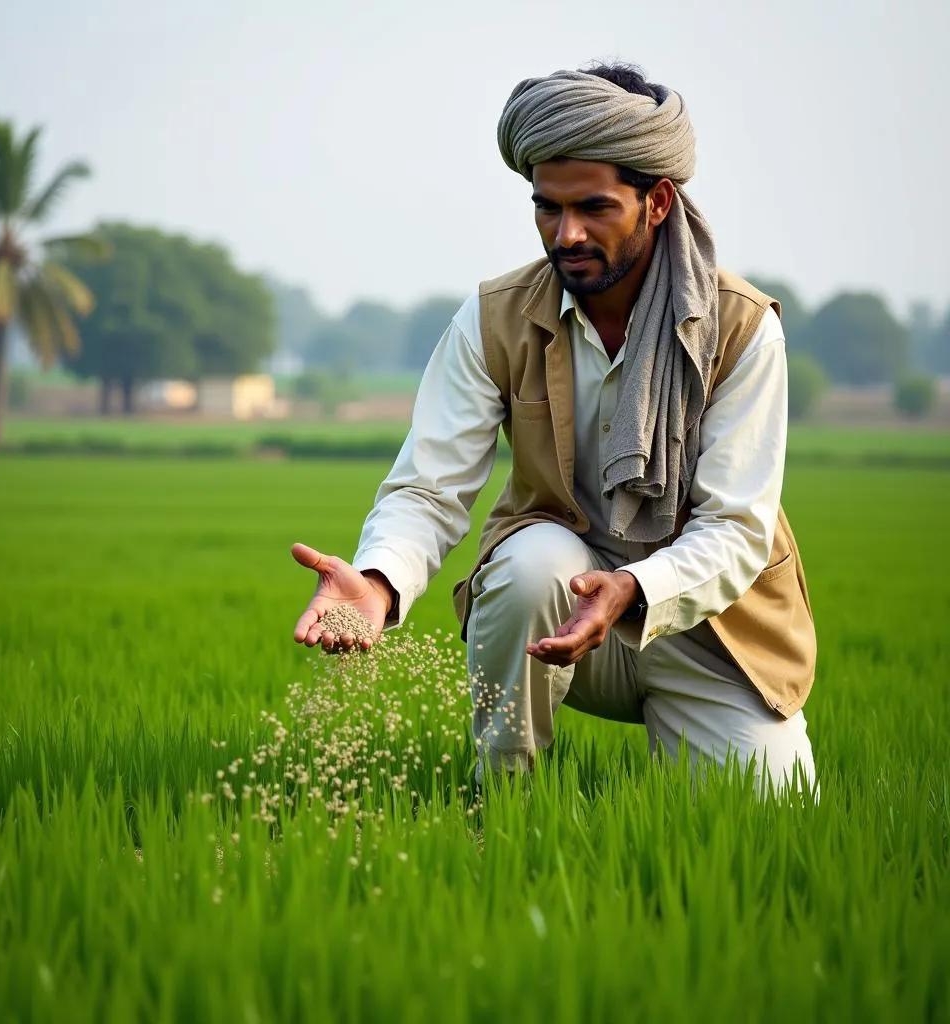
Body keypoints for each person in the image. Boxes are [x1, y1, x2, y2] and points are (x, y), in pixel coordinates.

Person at [292, 61, 817, 793]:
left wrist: (632, 587)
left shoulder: (739, 327)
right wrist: (379, 583)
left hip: (713, 629)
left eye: (594, 208)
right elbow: (430, 485)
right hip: (557, 614)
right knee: (532, 555)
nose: (565, 234)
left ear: (657, 201)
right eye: (547, 208)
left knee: (768, 836)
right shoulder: (495, 318)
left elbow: (735, 527)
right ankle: (502, 801)